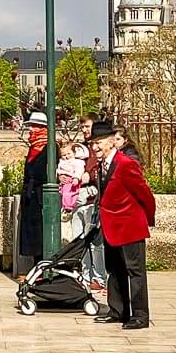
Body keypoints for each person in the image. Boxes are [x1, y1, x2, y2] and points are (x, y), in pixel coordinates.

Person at [90, 121, 156, 330]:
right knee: (114, 270)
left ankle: (140, 315)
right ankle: (118, 311)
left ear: (111, 142)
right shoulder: (102, 165)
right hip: (111, 227)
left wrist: (147, 219)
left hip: (129, 226)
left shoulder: (126, 164)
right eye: (93, 143)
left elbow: (145, 194)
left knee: (134, 271)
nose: (95, 148)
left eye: (98, 143)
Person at [72, 112, 106, 290]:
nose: (84, 129)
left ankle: (99, 277)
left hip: (92, 198)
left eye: (87, 126)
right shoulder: (82, 148)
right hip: (78, 198)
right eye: (82, 126)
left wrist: (89, 176)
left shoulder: (97, 148)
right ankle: (85, 276)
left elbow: (101, 170)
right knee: (79, 239)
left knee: (95, 242)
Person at [18, 111, 49, 270]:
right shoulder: (33, 147)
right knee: (32, 235)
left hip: (41, 197)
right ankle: (35, 267)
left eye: (34, 127)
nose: (31, 130)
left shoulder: (50, 147)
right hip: (30, 197)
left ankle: (42, 269)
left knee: (40, 235)